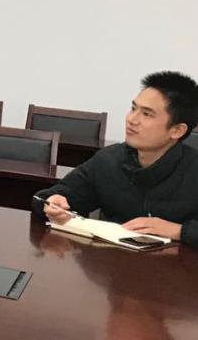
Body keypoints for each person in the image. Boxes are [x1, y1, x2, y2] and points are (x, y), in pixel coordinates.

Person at [36, 71, 198, 248]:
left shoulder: (193, 168)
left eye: (147, 114)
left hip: (176, 264)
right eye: (133, 109)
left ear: (177, 130)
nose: (132, 119)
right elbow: (51, 196)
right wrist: (53, 203)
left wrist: (180, 231)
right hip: (113, 260)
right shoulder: (109, 159)